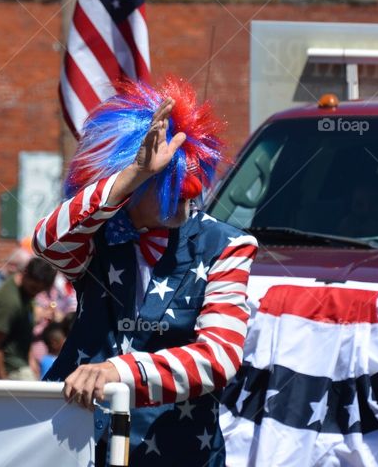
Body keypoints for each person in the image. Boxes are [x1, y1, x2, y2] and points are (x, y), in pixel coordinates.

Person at [33, 78, 258, 467]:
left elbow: (218, 357)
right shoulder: (95, 237)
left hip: (179, 454)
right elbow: (46, 241)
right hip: (79, 448)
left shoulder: (228, 246)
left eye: (177, 177)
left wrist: (117, 371)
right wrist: (133, 173)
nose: (179, 193)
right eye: (159, 181)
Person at [0, 257, 56, 380]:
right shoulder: (9, 302)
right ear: (25, 274)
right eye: (34, 288)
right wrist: (2, 383)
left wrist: (31, 359)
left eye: (40, 289)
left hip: (22, 364)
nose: (36, 293)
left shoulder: (26, 291)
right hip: (11, 371)